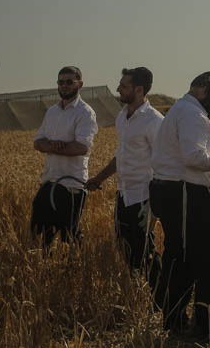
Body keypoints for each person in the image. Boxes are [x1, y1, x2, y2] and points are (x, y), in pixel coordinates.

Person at [149, 71, 210, 340]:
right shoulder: (191, 114)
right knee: (206, 259)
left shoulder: (181, 110)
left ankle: (176, 320)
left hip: (178, 191)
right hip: (187, 193)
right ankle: (206, 326)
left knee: (180, 257)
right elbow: (193, 156)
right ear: (206, 89)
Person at [87, 67, 164, 296]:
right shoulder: (122, 117)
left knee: (145, 250)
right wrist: (99, 178)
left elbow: (163, 162)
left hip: (144, 196)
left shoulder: (154, 121)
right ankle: (140, 296)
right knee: (125, 247)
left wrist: (156, 204)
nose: (119, 89)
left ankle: (160, 301)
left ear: (139, 89)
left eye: (124, 85)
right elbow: (121, 156)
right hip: (124, 193)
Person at [31, 66, 99, 247]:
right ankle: (45, 273)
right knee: (38, 235)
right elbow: (37, 142)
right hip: (49, 181)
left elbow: (81, 147)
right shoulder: (52, 111)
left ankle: (74, 272)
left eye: (70, 82)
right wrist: (57, 146)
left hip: (72, 185)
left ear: (80, 84)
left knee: (68, 239)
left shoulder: (85, 113)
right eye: (61, 82)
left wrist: (51, 146)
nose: (64, 86)